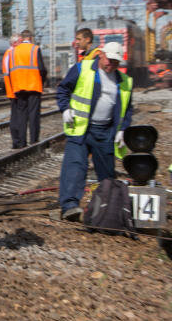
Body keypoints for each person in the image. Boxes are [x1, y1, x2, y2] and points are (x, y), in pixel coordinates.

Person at [56, 41, 133, 222]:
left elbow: (128, 109)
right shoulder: (82, 69)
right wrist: (65, 109)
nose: (111, 64)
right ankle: (70, 206)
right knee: (75, 166)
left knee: (106, 173)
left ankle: (108, 208)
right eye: (109, 60)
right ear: (101, 55)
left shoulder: (124, 81)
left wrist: (123, 130)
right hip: (81, 128)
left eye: (115, 62)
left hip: (105, 132)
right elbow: (62, 90)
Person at [9, 30, 47, 148]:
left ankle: (22, 142)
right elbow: (41, 69)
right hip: (33, 86)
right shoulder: (35, 49)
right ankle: (34, 140)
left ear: (22, 37)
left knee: (21, 115)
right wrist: (43, 81)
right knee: (33, 114)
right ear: (30, 38)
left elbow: (11, 70)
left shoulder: (14, 51)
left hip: (19, 87)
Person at [2, 34, 20, 144]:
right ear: (14, 43)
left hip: (15, 88)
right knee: (16, 115)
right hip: (14, 89)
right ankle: (16, 140)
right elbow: (10, 73)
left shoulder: (11, 53)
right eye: (20, 42)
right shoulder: (10, 54)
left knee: (17, 115)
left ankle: (18, 139)